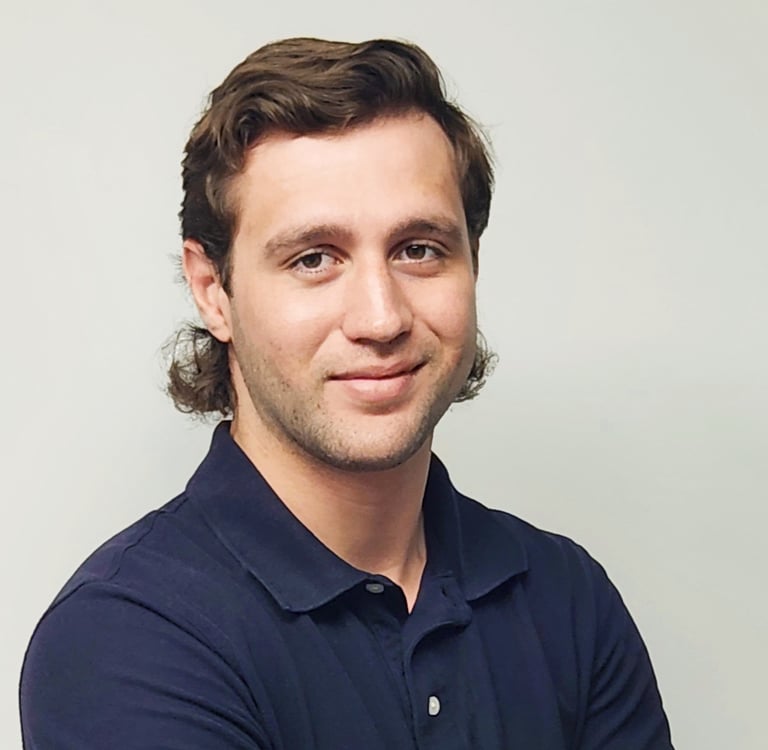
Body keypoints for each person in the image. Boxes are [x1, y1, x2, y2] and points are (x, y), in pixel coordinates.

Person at [20, 37, 673, 749]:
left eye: (418, 249)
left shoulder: (566, 597)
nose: (381, 318)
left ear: (473, 265)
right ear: (213, 291)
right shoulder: (124, 637)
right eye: (314, 259)